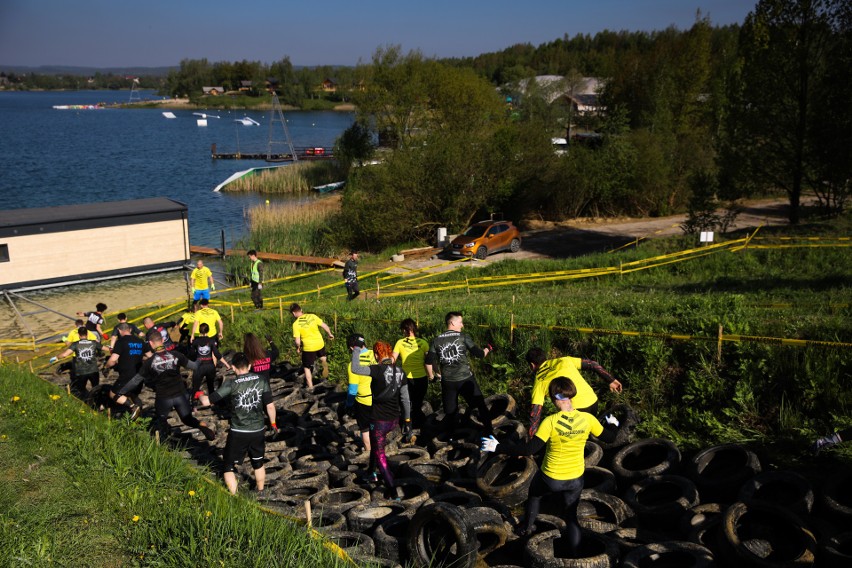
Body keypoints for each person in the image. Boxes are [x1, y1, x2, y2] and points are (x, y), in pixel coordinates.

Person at [481, 377, 620, 543]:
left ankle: (526, 528)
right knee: (571, 517)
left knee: (534, 495)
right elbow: (610, 438)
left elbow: (528, 449)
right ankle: (574, 555)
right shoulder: (588, 419)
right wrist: (613, 424)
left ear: (555, 398)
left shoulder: (550, 422)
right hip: (575, 478)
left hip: (551, 478)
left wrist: (497, 446)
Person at [199, 352, 277, 496]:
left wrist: (199, 395)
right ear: (249, 365)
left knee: (228, 466)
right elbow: (270, 406)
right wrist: (273, 423)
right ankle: (261, 492)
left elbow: (207, 402)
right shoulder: (261, 380)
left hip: (239, 431)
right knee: (258, 463)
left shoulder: (231, 384)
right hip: (258, 429)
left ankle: (234, 497)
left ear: (233, 367)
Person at [114, 332, 215, 441]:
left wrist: (121, 391)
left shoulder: (149, 362)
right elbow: (194, 366)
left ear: (151, 344)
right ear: (162, 340)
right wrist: (202, 358)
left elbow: (135, 380)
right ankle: (202, 427)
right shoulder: (176, 355)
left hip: (163, 397)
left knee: (161, 422)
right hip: (180, 395)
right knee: (188, 419)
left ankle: (163, 445)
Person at [351, 341, 412, 497]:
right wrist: (407, 421)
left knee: (380, 454)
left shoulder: (377, 370)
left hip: (379, 421)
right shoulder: (400, 371)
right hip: (394, 420)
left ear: (377, 355)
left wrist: (357, 349)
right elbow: (405, 399)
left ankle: (393, 491)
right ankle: (371, 472)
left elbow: (355, 368)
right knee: (375, 445)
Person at [525, 347, 622, 438]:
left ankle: (610, 425)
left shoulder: (539, 381)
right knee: (590, 430)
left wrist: (532, 439)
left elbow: (535, 414)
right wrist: (610, 380)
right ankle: (609, 421)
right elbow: (592, 364)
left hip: (576, 411)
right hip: (593, 401)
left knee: (573, 438)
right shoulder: (563, 360)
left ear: (532, 365)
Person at [425, 312, 494, 437]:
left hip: (448, 382)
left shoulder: (436, 340)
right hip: (465, 379)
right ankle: (490, 434)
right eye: (460, 322)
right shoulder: (463, 337)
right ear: (452, 322)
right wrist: (488, 348)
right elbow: (479, 354)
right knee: (481, 406)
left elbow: (428, 362)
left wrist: (432, 376)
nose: (462, 325)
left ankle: (451, 440)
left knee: (450, 413)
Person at [51, 326, 109, 399]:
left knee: (81, 389)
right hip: (93, 370)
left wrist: (56, 357)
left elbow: (65, 354)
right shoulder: (94, 343)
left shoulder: (75, 344)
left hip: (81, 371)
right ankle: (97, 402)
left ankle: (87, 399)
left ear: (78, 335)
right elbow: (106, 348)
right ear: (87, 334)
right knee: (96, 388)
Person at [104, 322, 148, 417]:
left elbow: (112, 360)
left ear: (119, 331)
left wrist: (106, 367)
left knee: (114, 394)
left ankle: (133, 407)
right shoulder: (140, 341)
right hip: (140, 374)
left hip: (127, 375)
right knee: (132, 394)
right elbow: (150, 356)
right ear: (130, 330)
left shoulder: (121, 342)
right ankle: (139, 415)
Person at [392, 318, 430, 427]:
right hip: (422, 378)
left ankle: (406, 424)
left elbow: (393, 359)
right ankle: (418, 425)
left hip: (405, 378)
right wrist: (435, 373)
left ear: (404, 330)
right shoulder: (423, 343)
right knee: (417, 403)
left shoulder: (400, 342)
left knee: (406, 403)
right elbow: (429, 361)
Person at [345, 333, 376, 457]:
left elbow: (352, 389)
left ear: (352, 348)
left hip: (364, 400)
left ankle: (369, 453)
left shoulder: (353, 365)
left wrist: (349, 404)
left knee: (365, 429)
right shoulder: (376, 354)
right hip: (380, 397)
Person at [290, 303, 334, 390]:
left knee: (307, 367)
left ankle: (310, 387)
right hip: (319, 343)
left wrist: (298, 348)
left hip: (308, 348)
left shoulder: (296, 324)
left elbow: (297, 341)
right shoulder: (312, 316)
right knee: (323, 358)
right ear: (301, 309)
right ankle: (326, 374)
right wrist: (330, 334)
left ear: (294, 313)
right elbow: (324, 325)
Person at [190, 323, 231, 398]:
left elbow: (191, 355)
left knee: (195, 387)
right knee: (211, 386)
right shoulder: (211, 341)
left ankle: (194, 406)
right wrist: (227, 364)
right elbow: (217, 354)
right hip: (210, 366)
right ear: (208, 331)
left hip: (199, 367)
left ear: (199, 331)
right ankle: (212, 403)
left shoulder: (195, 342)